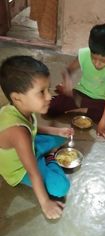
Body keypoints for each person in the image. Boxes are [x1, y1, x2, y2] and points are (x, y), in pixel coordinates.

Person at [0, 56, 74, 220]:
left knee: (60, 139)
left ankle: (49, 150)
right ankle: (50, 157)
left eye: (47, 90)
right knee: (61, 187)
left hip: (28, 146)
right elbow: (33, 172)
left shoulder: (18, 108)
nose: (49, 96)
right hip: (21, 169)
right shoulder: (18, 132)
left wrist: (56, 131)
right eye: (42, 92)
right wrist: (46, 203)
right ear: (17, 97)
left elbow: (32, 129)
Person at [47, 23, 105, 139]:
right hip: (81, 95)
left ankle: (92, 110)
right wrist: (67, 82)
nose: (97, 63)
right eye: (94, 58)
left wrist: (104, 121)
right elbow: (67, 71)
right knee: (47, 107)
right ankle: (92, 111)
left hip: (102, 100)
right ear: (90, 49)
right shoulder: (84, 53)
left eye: (103, 60)